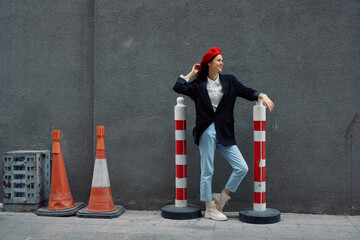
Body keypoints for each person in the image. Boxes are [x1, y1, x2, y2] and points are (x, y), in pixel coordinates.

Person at [173, 47, 274, 221]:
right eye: (218, 60)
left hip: (224, 131)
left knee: (242, 167)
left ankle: (221, 198)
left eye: (222, 60)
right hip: (206, 131)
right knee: (207, 170)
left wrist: (261, 95)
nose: (221, 63)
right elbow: (178, 86)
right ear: (209, 63)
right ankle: (209, 208)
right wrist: (191, 73)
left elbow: (246, 91)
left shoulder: (230, 81)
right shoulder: (198, 85)